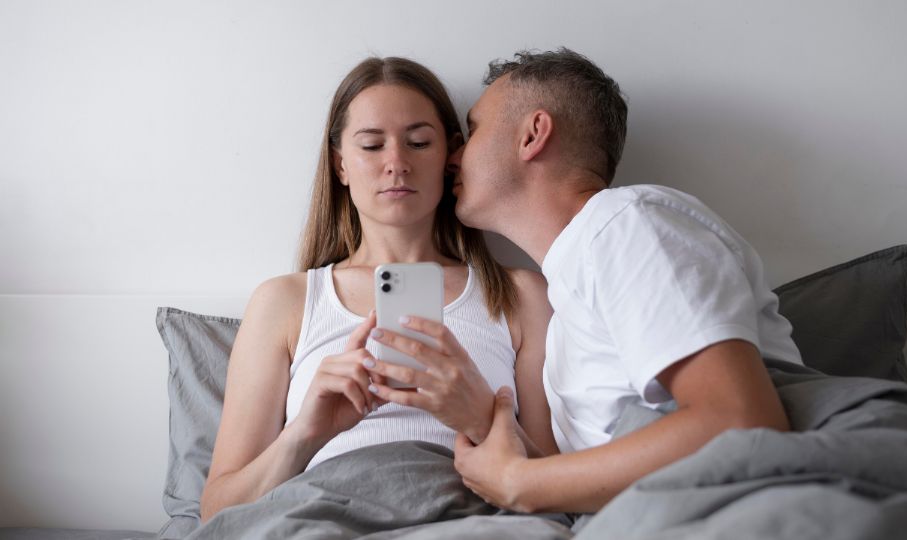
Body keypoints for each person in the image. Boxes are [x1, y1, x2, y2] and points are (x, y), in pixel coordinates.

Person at [198, 56, 558, 522]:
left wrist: (483, 418)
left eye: (419, 142)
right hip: (322, 516)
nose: (397, 164)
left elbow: (556, 488)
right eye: (371, 145)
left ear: (450, 158)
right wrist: (305, 433)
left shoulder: (521, 296)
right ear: (340, 165)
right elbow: (217, 512)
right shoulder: (283, 303)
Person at [449, 48, 803, 514]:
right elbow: (591, 480)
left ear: (532, 135)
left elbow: (741, 422)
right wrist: (484, 424)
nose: (454, 157)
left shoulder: (625, 223)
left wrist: (518, 482)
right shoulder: (566, 306)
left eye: (473, 130)